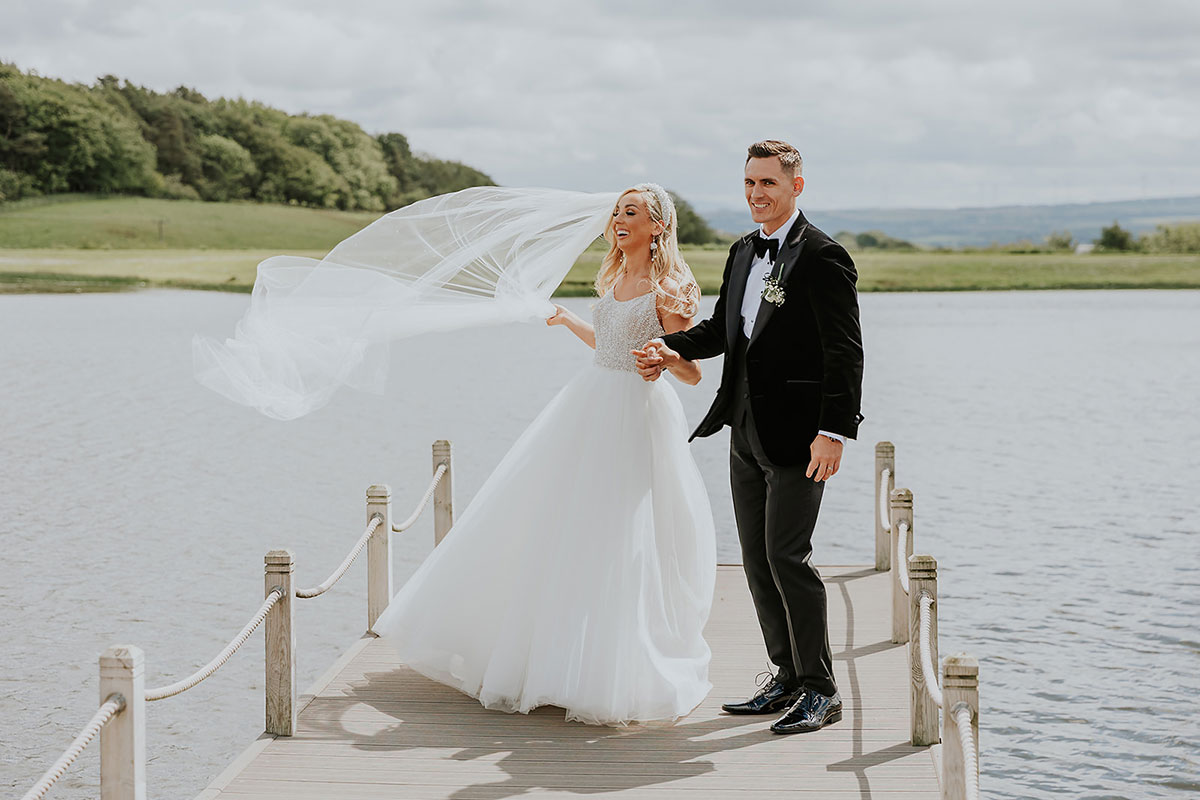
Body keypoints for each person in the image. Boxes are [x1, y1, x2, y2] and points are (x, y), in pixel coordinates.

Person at [371, 183, 718, 726]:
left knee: (621, 536)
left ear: (658, 226)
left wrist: (663, 358)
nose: (619, 220)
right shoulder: (613, 277)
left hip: (635, 414)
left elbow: (692, 370)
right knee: (565, 527)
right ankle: (552, 659)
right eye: (617, 213)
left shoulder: (668, 289)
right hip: (590, 404)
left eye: (632, 213)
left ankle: (612, 668)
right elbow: (608, 344)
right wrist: (567, 319)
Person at [636, 140, 864, 734]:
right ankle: (785, 677)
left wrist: (833, 431)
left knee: (790, 556)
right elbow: (722, 330)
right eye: (749, 183)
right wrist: (672, 347)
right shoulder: (741, 252)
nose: (757, 194)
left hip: (801, 436)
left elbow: (845, 352)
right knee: (758, 560)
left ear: (796, 186)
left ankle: (821, 689)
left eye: (768, 183)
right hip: (745, 431)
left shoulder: (823, 256)